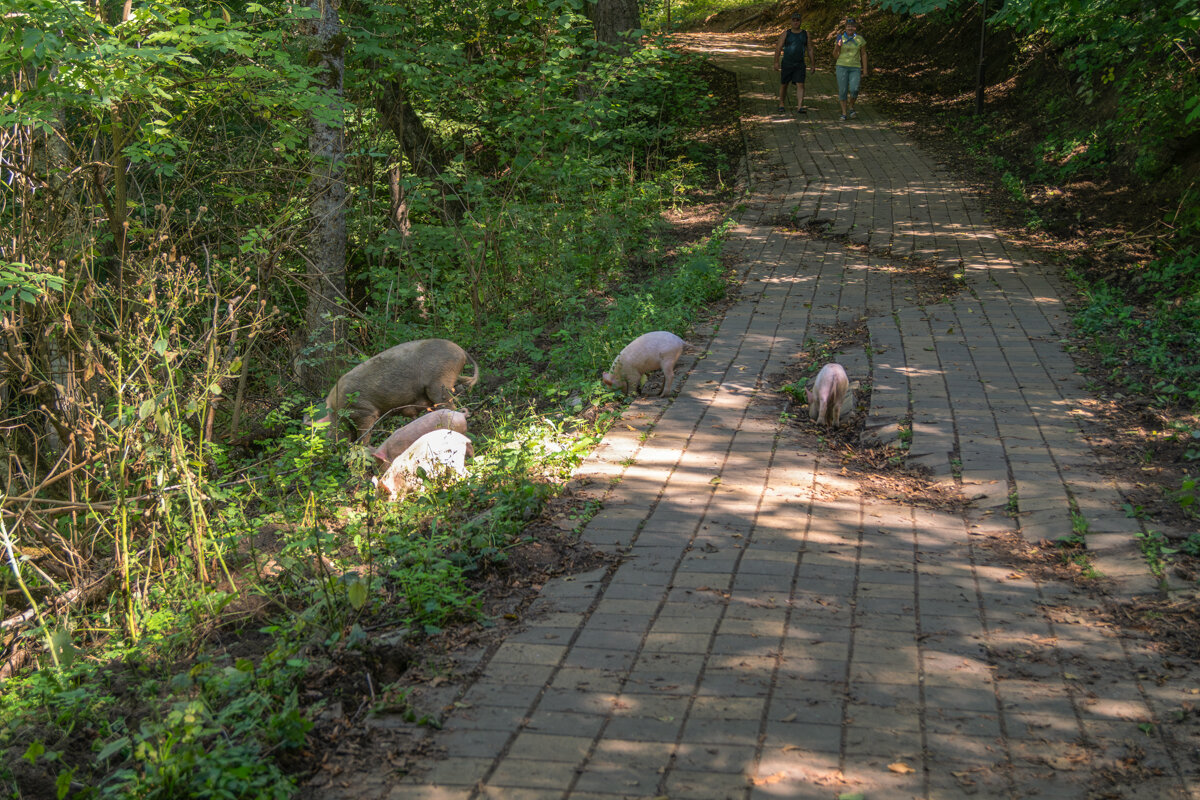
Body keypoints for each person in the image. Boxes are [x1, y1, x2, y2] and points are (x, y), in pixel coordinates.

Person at [773, 12, 816, 114]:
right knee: (784, 84)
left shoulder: (805, 34)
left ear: (800, 21)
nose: (796, 22)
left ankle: (800, 106)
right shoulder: (786, 34)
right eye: (794, 20)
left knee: (800, 84)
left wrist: (813, 64)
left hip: (800, 64)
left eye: (798, 20)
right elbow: (778, 48)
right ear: (791, 21)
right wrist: (776, 62)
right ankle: (781, 103)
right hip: (787, 63)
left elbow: (810, 49)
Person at [832, 17, 869, 121]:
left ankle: (851, 106)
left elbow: (864, 54)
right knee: (843, 90)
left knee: (854, 89)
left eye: (852, 26)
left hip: (855, 67)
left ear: (855, 28)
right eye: (848, 26)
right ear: (845, 27)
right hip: (841, 66)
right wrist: (837, 47)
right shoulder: (840, 38)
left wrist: (865, 70)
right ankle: (844, 112)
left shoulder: (860, 39)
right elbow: (835, 56)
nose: (850, 28)